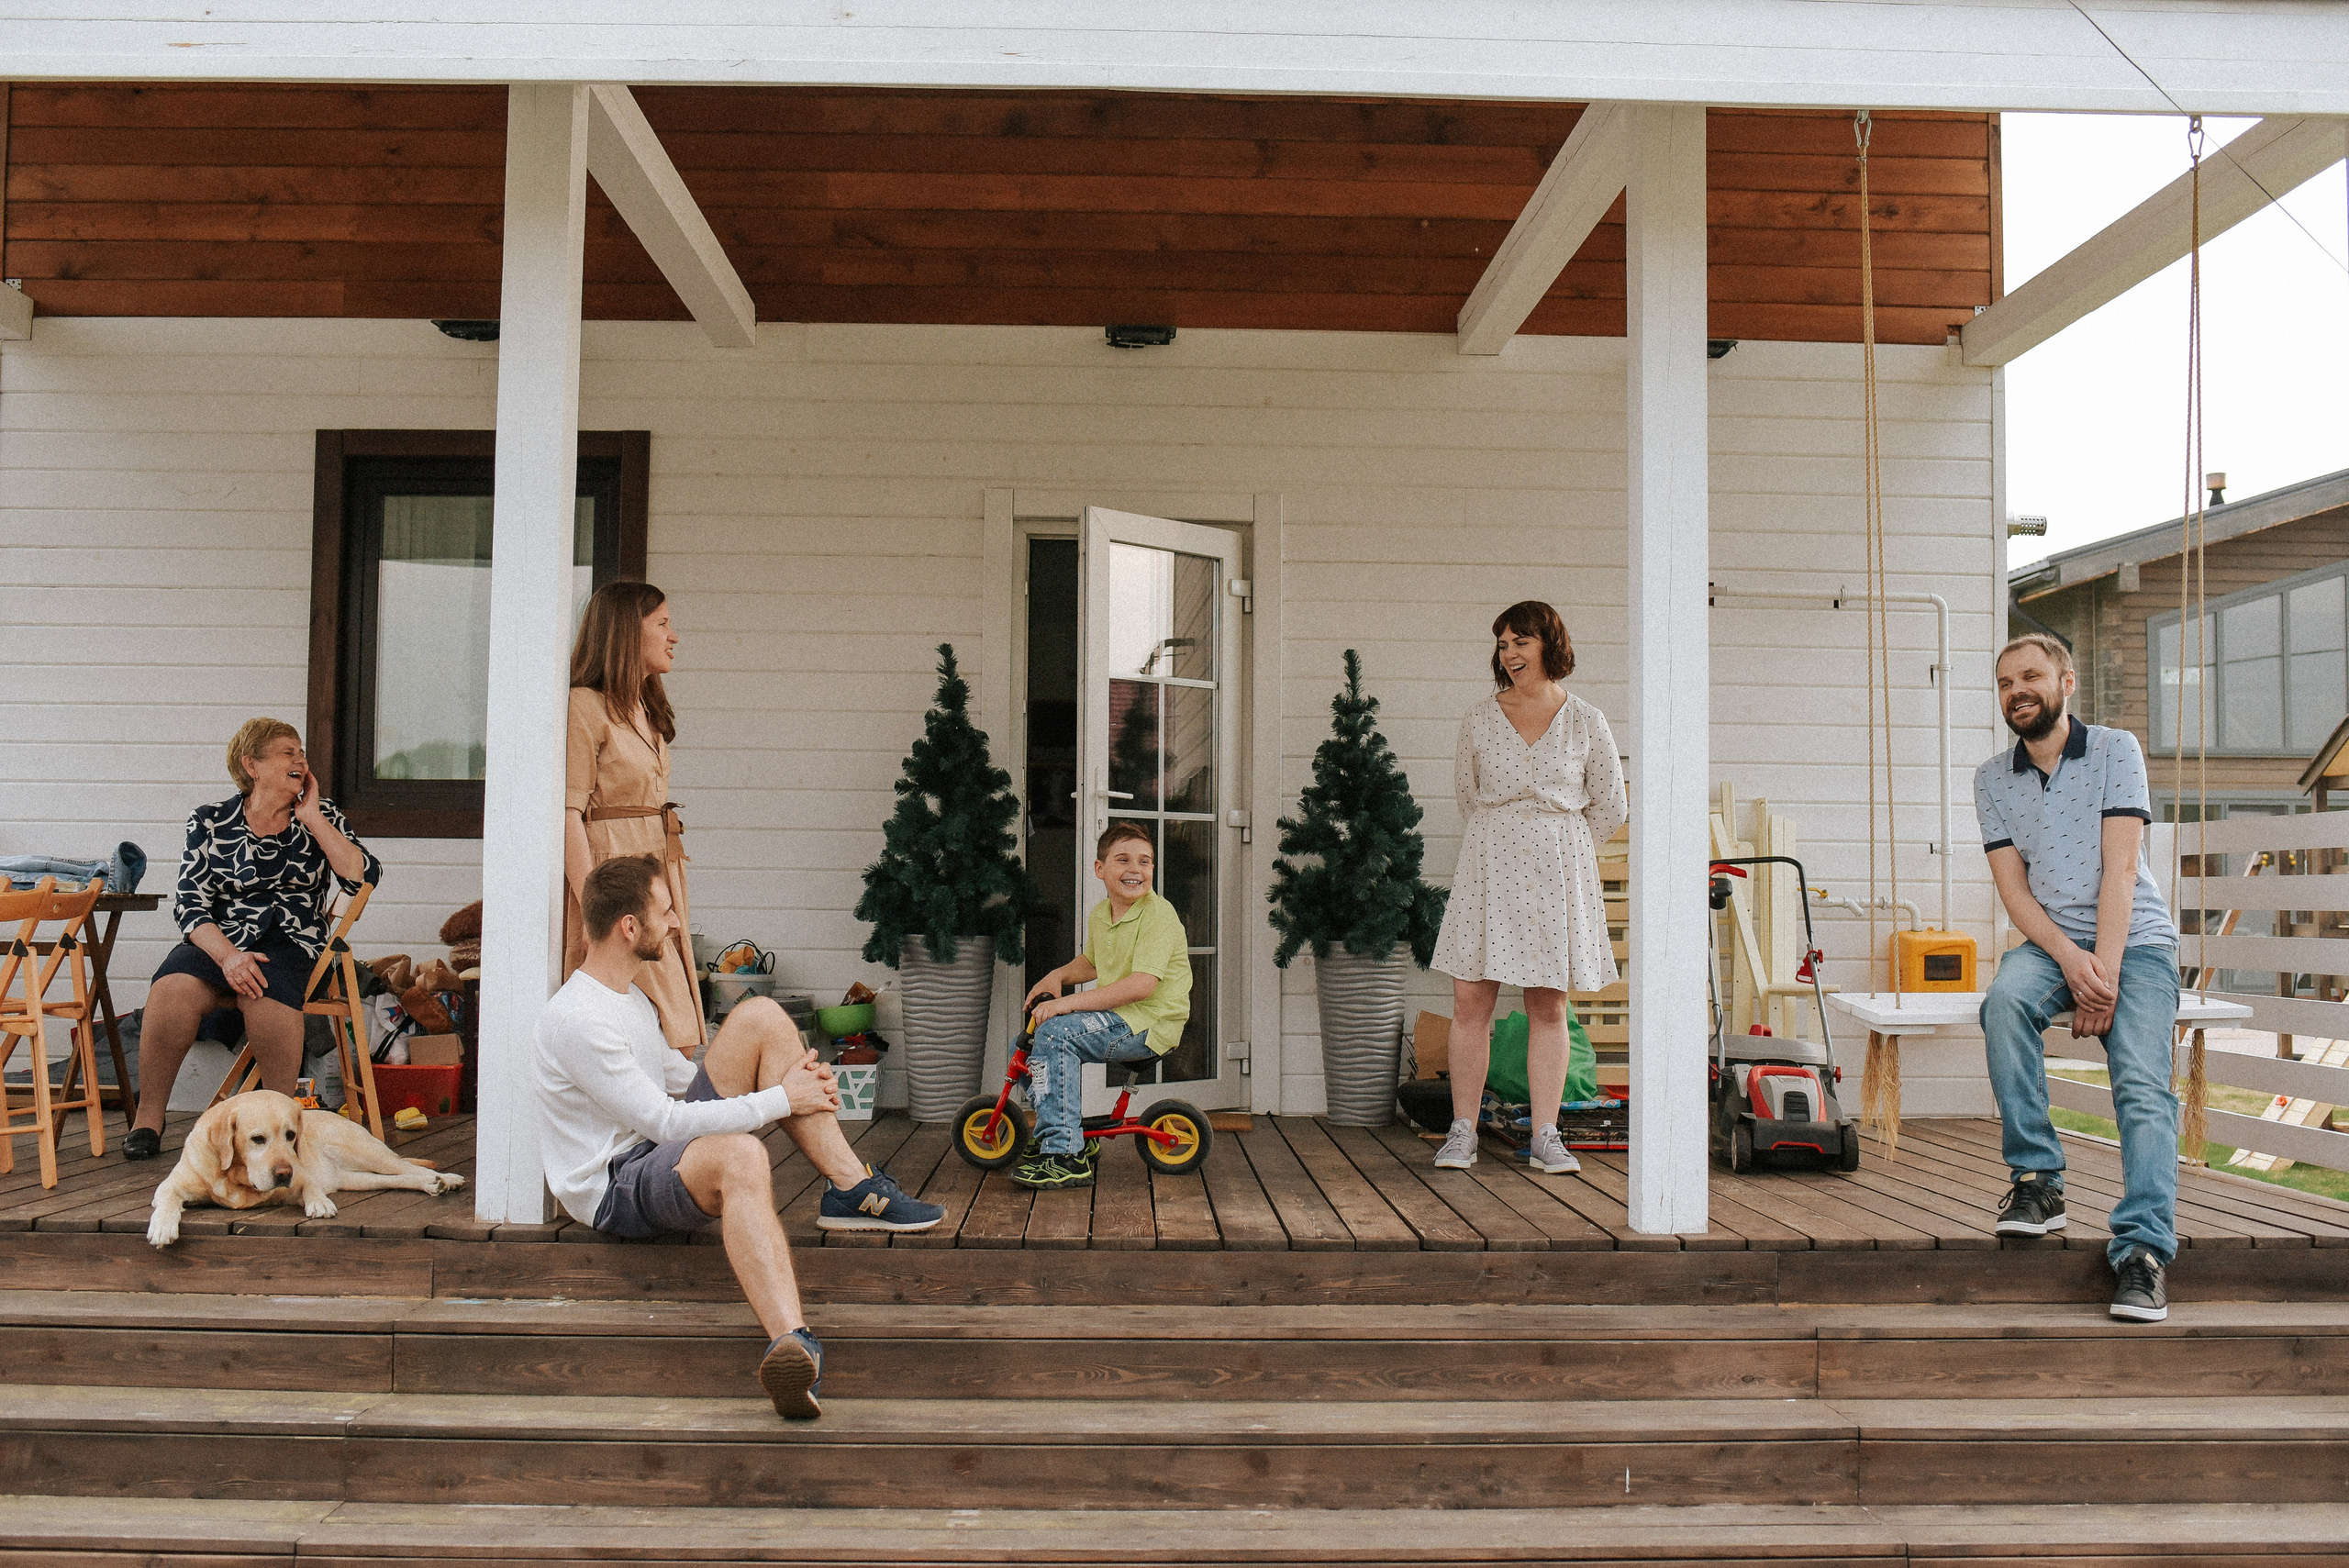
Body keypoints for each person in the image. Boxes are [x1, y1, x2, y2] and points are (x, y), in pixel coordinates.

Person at [536, 854, 947, 1420]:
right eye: (665, 910)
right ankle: (792, 1343)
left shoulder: (626, 998)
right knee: (742, 1155)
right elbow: (664, 1122)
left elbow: (678, 1081)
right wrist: (783, 1099)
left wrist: (792, 1076)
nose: (676, 921)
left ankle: (852, 1187)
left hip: (656, 1151)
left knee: (760, 1016)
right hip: (616, 1183)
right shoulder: (577, 1018)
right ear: (630, 927)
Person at [1976, 633, 2181, 1323]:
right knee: (2004, 999)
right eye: (2005, 682)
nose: (2017, 690)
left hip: (2137, 943)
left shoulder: (2117, 750)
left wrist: (2108, 975)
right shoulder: (1991, 780)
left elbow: (2121, 870)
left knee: (2143, 1082)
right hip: (2056, 943)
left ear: (2066, 681)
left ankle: (2144, 1251)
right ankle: (2038, 1178)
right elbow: (2016, 895)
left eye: (2030, 675)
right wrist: (2071, 961)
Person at [1427, 601, 1626, 1175]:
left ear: (1548, 645)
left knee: (1547, 1004)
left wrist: (1556, 845)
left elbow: (1611, 805)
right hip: (1489, 865)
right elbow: (1468, 798)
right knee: (1470, 1000)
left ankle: (1545, 1133)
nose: (1510, 655)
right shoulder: (1478, 719)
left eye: (1521, 642)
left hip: (1557, 872)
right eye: (1503, 644)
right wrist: (1510, 835)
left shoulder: (1587, 720)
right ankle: (1462, 1129)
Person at [125, 719, 381, 1162]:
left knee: (264, 993)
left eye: (301, 752)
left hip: (292, 940)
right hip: (220, 939)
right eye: (287, 752)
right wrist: (228, 957)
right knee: (172, 988)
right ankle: (148, 1118)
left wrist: (314, 819)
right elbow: (189, 904)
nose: (300, 759)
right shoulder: (209, 820)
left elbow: (363, 877)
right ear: (252, 765)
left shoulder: (324, 817)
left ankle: (280, 1126)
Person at [564, 581, 703, 1057]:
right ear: (626, 633)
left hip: (656, 872)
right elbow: (569, 816)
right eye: (662, 624)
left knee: (673, 1022)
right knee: (642, 1013)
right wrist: (593, 911)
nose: (674, 636)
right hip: (614, 879)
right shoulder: (585, 705)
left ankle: (674, 1123)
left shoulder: (645, 707)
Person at [1014, 822, 1192, 1191]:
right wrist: (1057, 977)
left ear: (1153, 870)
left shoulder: (1158, 915)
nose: (1135, 870)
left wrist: (1067, 1005)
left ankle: (1064, 1155)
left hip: (1150, 1023)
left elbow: (1142, 985)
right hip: (1123, 1018)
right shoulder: (1102, 913)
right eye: (1123, 860)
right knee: (1034, 1040)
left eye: (1145, 862)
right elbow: (1092, 964)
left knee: (1058, 1035)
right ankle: (1063, 1131)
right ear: (1100, 869)